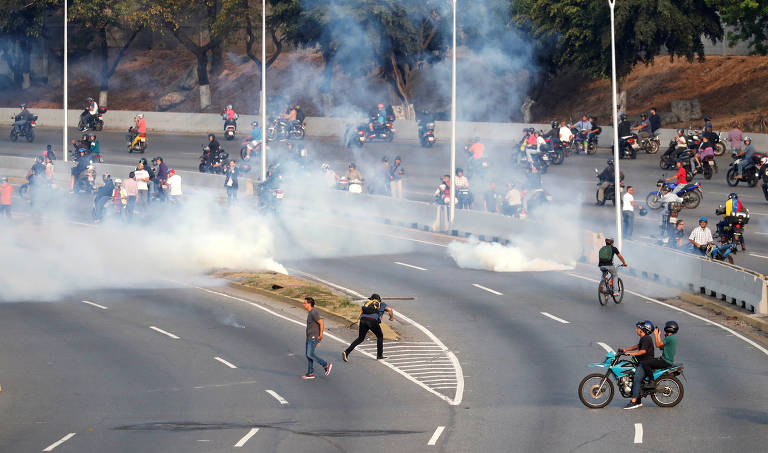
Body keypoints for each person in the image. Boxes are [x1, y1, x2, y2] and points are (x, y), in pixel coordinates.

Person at [342, 293, 394, 362]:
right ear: (379, 299)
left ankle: (346, 352)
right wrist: (391, 318)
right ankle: (379, 356)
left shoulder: (367, 303)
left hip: (363, 320)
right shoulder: (381, 304)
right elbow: (390, 310)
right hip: (372, 321)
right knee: (380, 336)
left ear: (371, 299)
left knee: (360, 338)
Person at [618, 320, 656, 410]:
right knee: (632, 375)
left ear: (642, 330)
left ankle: (634, 402)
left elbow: (643, 351)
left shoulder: (647, 338)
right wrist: (626, 349)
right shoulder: (643, 338)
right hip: (641, 362)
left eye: (638, 328)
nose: (636, 330)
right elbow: (638, 346)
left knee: (636, 379)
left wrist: (631, 354)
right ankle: (638, 401)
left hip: (645, 363)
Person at [639, 321, 679, 385]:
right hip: (666, 360)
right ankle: (648, 379)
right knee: (650, 362)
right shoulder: (672, 338)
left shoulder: (669, 338)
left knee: (645, 363)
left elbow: (657, 345)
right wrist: (658, 335)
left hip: (665, 361)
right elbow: (661, 347)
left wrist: (655, 335)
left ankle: (652, 381)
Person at [302, 297, 332, 379]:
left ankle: (326, 365)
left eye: (305, 303)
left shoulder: (313, 312)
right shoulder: (310, 312)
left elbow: (321, 323)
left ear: (309, 304)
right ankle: (310, 373)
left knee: (310, 354)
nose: (303, 304)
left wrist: (320, 336)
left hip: (313, 337)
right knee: (308, 355)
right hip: (309, 337)